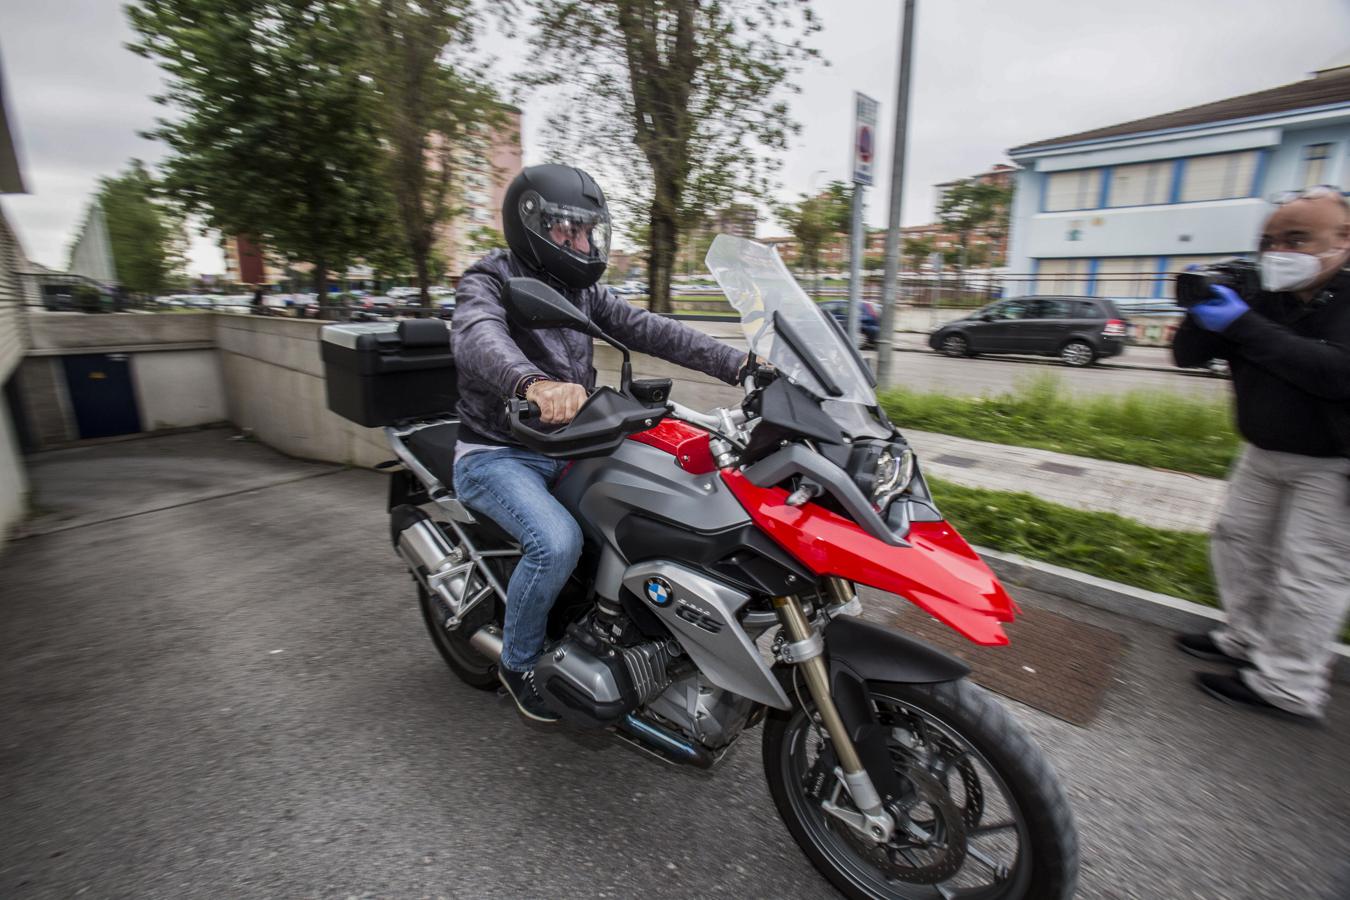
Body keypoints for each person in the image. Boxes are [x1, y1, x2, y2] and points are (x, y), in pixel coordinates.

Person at [450, 164, 749, 723]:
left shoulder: (582, 290)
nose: (583, 243)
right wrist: (530, 383)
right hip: (498, 451)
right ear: (531, 223)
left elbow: (653, 329)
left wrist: (744, 365)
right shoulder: (487, 280)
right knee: (557, 542)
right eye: (570, 230)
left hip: (572, 445)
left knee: (666, 503)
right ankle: (518, 666)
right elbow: (477, 336)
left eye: (589, 231)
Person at [1172, 185, 1350, 723]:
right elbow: (1186, 356)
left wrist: (1244, 325)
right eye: (1269, 241)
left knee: (1307, 572)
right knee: (1239, 544)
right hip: (1264, 450)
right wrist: (1200, 311)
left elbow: (1336, 374)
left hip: (1333, 463)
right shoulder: (1262, 296)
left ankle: (1289, 685)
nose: (1279, 253)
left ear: (1342, 240)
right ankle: (1245, 639)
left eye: (1297, 240)